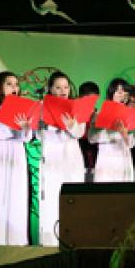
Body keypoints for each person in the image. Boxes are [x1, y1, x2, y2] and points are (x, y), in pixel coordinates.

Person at [0, 70, 32, 245]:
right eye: (9, 84)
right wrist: (8, 131)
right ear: (0, 87)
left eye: (16, 84)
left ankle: (16, 242)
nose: (14, 87)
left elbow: (27, 137)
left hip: (16, 152)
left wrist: (25, 127)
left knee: (16, 196)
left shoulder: (23, 107)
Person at [38, 70, 85, 247]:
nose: (63, 90)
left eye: (65, 87)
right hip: (51, 157)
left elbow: (79, 132)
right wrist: (50, 127)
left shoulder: (76, 107)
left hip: (72, 157)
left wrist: (71, 126)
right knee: (51, 198)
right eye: (58, 87)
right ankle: (50, 243)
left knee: (71, 198)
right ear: (51, 89)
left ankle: (72, 241)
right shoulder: (42, 107)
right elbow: (38, 135)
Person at [89, 77, 134, 183]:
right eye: (118, 92)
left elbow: (132, 143)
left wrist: (124, 134)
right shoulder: (99, 114)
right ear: (111, 94)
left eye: (124, 92)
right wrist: (109, 132)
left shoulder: (131, 114)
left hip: (123, 157)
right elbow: (91, 138)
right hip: (106, 156)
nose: (122, 95)